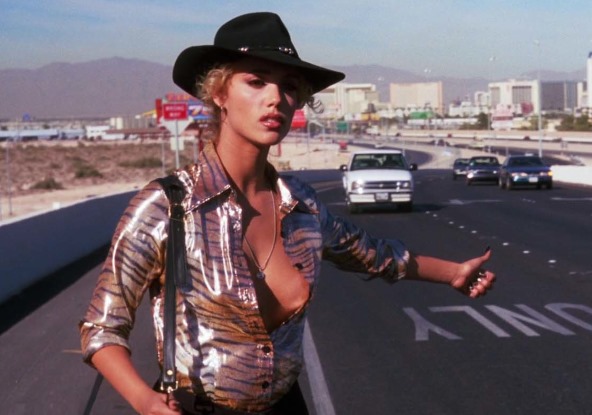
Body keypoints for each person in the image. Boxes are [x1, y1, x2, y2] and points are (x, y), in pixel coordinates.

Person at [79, 12, 496, 415]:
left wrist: (454, 273)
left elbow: (374, 254)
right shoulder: (168, 205)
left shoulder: (301, 205)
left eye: (290, 86)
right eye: (256, 81)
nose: (276, 98)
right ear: (219, 93)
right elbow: (101, 328)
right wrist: (144, 401)